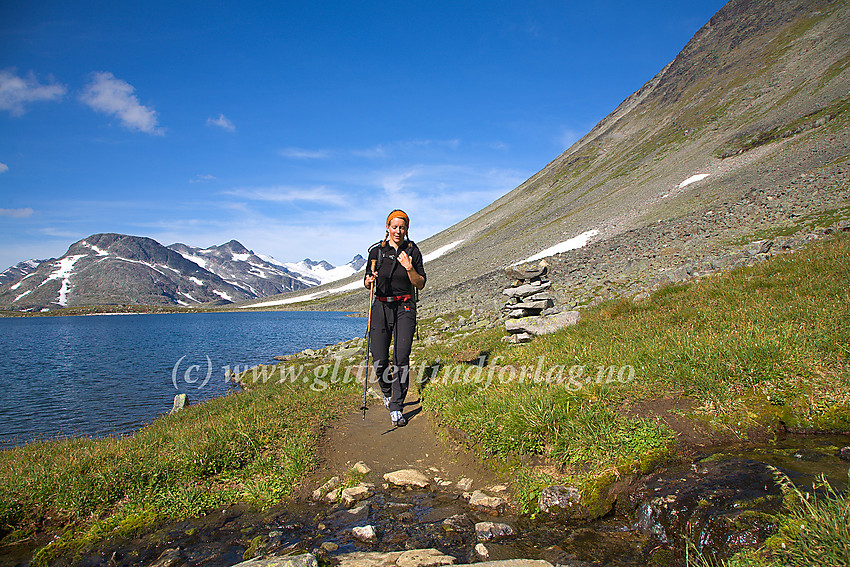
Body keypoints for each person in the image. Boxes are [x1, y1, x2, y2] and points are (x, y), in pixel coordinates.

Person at [364, 209, 426, 427]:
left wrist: (409, 267)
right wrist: (369, 280)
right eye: (394, 226)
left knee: (401, 356)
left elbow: (420, 283)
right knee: (379, 357)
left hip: (405, 307)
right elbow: (366, 282)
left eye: (402, 227)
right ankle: (387, 391)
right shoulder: (376, 252)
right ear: (387, 227)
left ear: (406, 229)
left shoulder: (413, 251)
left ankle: (397, 406)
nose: (398, 231)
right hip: (380, 306)